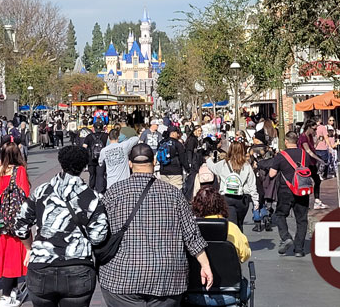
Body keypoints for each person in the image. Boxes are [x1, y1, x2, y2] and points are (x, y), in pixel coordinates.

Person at [100, 144, 213, 306]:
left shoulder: (113, 192)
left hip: (122, 276)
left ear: (130, 163)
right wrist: (205, 265)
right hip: (167, 277)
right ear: (154, 161)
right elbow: (191, 235)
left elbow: (99, 232)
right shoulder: (173, 194)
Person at [14, 146, 108, 307]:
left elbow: (20, 226)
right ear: (84, 166)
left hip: (41, 268)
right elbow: (98, 237)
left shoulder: (41, 192)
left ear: (61, 163)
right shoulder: (93, 198)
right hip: (77, 269)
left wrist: (29, 248)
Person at [0, 143, 30, 306]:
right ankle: (5, 296)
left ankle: (13, 290)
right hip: (15, 221)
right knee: (13, 258)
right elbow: (25, 195)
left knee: (5, 256)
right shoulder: (19, 171)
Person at [269, 131, 310, 257]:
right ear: (297, 141)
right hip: (302, 190)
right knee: (302, 220)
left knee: (280, 215)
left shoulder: (281, 156)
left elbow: (272, 174)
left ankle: (286, 237)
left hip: (286, 190)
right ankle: (299, 249)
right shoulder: (305, 154)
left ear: (286, 142)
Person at [206, 133, 259, 231]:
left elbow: (212, 167)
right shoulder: (246, 166)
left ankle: (233, 244)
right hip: (242, 198)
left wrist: (210, 159)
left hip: (227, 197)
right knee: (239, 224)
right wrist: (255, 201)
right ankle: (240, 243)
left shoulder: (223, 164)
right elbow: (252, 184)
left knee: (231, 226)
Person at [298, 120, 327, 209]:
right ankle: (303, 203)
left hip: (311, 162)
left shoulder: (310, 136)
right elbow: (308, 151)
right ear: (309, 128)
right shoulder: (303, 137)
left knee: (317, 180)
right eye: (314, 129)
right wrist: (319, 159)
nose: (315, 131)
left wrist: (318, 141)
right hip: (305, 163)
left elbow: (313, 147)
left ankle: (317, 201)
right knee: (306, 182)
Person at [83, 121, 108, 192]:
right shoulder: (106, 136)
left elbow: (84, 147)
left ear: (93, 128)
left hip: (91, 159)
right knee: (101, 175)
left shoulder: (89, 136)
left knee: (92, 175)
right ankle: (100, 190)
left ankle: (91, 190)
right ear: (102, 128)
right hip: (102, 158)